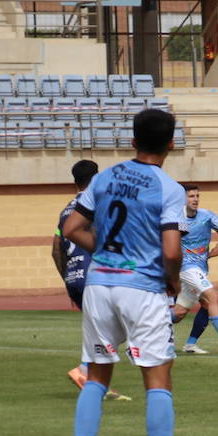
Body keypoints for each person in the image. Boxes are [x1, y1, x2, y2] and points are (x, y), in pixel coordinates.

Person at [60, 108, 194, 436]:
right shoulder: (169, 188)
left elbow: (72, 228)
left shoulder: (104, 177)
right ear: (171, 143)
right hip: (142, 289)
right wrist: (172, 282)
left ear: (133, 140)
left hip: (99, 285)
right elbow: (171, 250)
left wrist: (103, 253)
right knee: (157, 378)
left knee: (97, 375)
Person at [52, 159, 131, 401]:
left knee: (102, 329)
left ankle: (96, 382)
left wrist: (68, 279)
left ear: (74, 182)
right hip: (97, 275)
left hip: (74, 276)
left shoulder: (66, 210)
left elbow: (56, 250)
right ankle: (85, 369)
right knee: (130, 320)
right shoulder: (98, 202)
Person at [169, 183, 218, 354]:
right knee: (212, 297)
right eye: (191, 196)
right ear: (183, 199)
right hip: (186, 268)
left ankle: (143, 324)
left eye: (197, 196)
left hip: (199, 269)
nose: (195, 199)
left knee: (179, 313)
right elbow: (170, 244)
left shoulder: (207, 216)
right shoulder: (177, 220)